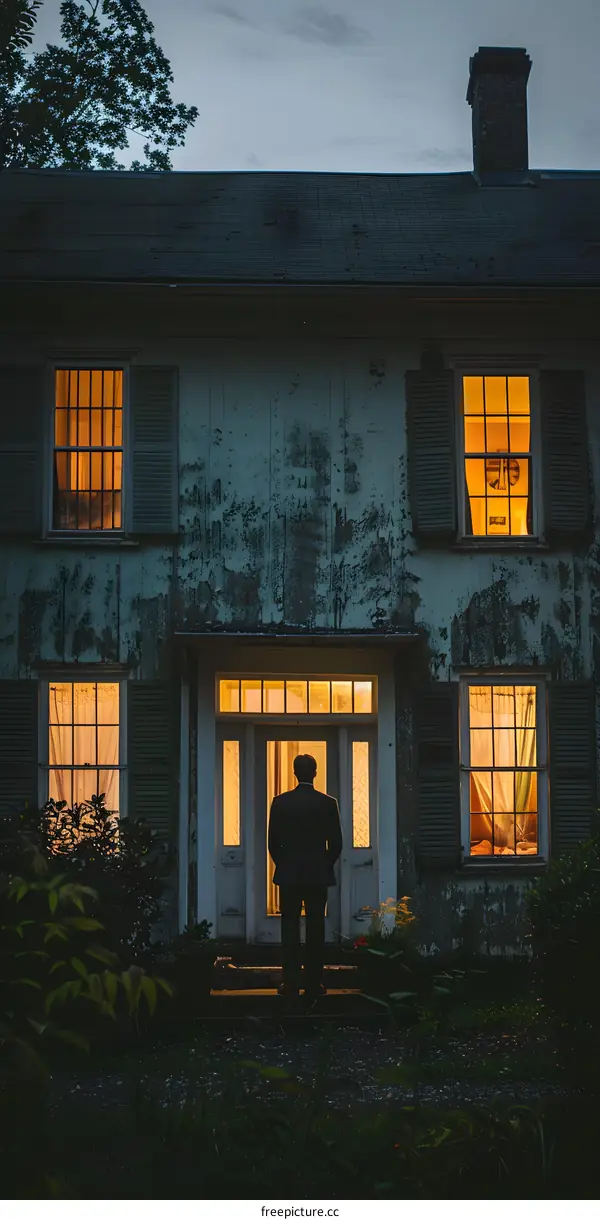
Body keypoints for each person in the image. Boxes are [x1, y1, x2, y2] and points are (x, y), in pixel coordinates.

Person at [267, 753, 343, 1001]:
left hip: (289, 875)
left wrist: (286, 864)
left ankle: (290, 983)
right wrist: (323, 864)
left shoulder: (280, 802)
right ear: (316, 772)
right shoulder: (328, 803)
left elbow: (273, 843)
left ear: (294, 772)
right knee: (315, 928)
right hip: (317, 875)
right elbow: (337, 844)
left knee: (289, 929)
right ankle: (314, 982)